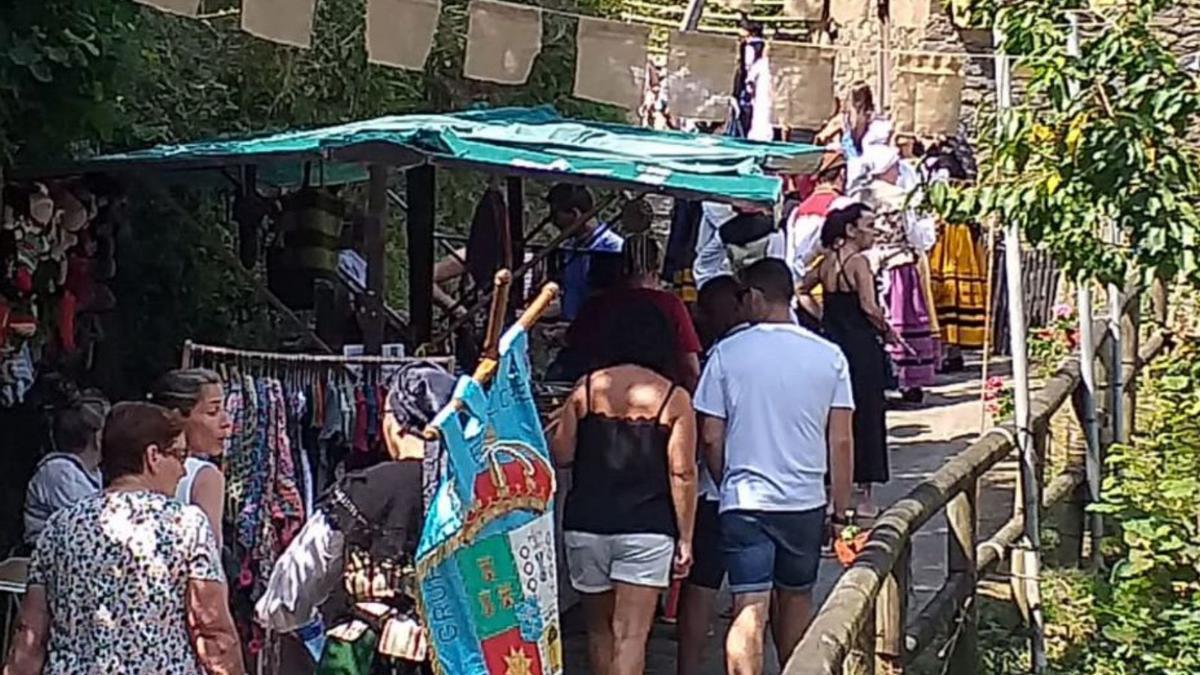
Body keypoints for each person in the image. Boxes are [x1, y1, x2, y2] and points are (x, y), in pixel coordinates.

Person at [695, 258, 854, 675]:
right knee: (797, 599)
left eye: (744, 296)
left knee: (749, 606)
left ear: (758, 297)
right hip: (803, 501)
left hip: (744, 499)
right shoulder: (829, 355)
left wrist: (726, 478)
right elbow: (840, 439)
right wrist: (841, 512)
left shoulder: (726, 354)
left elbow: (710, 434)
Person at [4, 402, 244, 675]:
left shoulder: (59, 527)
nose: (183, 471)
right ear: (153, 456)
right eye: (179, 456)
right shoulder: (185, 525)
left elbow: (31, 635)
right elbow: (211, 630)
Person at [551, 298, 697, 675]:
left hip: (586, 524)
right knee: (631, 636)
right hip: (648, 529)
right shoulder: (674, 398)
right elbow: (682, 474)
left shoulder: (586, 389)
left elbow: (562, 455)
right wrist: (685, 538)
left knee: (599, 632)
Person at [801, 204, 897, 518]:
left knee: (834, 415)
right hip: (860, 345)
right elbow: (869, 306)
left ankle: (831, 489)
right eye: (868, 226)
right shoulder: (859, 263)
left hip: (833, 342)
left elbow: (800, 289)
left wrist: (821, 319)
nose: (874, 231)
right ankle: (866, 495)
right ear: (851, 230)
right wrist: (888, 330)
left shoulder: (826, 262)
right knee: (868, 412)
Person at [676, 275, 748, 675]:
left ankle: (687, 668)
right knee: (756, 592)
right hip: (775, 494)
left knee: (701, 588)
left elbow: (708, 434)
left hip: (719, 491)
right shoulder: (805, 351)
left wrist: (721, 477)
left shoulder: (719, 358)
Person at [565, 237, 703, 390]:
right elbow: (690, 367)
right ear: (656, 265)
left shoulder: (596, 304)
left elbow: (574, 349)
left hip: (603, 390)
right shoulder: (670, 305)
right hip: (660, 393)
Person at [150, 368, 233, 548]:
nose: (226, 422)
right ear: (178, 416)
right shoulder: (205, 477)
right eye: (213, 412)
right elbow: (210, 556)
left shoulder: (139, 464)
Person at [22, 396, 107, 548]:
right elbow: (88, 525)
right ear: (97, 438)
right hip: (46, 558)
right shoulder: (60, 471)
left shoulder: (91, 471)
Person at [551, 184, 625, 321]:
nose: (554, 222)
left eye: (556, 215)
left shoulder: (612, 249)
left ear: (575, 214)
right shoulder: (571, 247)